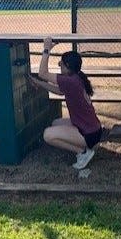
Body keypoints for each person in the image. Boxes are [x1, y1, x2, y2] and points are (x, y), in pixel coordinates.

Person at [28, 37, 103, 170]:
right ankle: (86, 146)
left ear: (68, 67)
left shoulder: (71, 81)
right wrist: (39, 83)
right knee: (55, 123)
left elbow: (43, 73)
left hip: (89, 134)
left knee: (48, 135)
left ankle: (83, 152)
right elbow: (60, 92)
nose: (59, 66)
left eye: (60, 64)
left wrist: (46, 50)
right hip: (93, 129)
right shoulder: (76, 77)